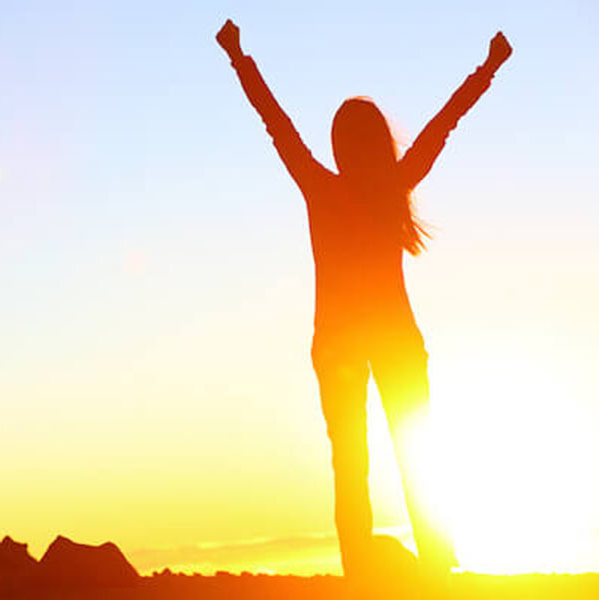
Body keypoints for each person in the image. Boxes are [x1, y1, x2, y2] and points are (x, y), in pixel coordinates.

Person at [216, 19, 512, 579]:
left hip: (348, 347)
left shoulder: (328, 188)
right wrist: (489, 68)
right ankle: (432, 571)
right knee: (405, 458)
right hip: (370, 346)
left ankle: (383, 573)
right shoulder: (375, 187)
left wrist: (237, 54)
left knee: (363, 463)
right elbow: (441, 126)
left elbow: (276, 122)